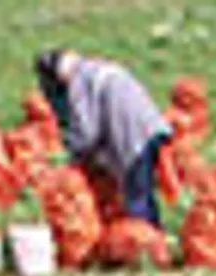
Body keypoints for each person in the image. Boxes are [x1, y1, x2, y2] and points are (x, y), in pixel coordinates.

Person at [34, 47, 168, 229]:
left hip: (133, 137)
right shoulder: (98, 67)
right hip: (152, 126)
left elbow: (86, 132)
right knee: (144, 191)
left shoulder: (78, 82)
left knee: (137, 196)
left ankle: (146, 245)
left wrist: (70, 155)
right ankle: (155, 238)